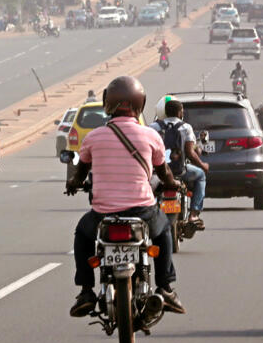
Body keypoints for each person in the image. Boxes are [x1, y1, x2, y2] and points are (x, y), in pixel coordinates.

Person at [66, 76, 185, 316]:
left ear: (107, 103)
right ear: (139, 104)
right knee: (163, 233)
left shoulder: (93, 137)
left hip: (103, 214)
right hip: (142, 211)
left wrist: (73, 184)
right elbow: (165, 173)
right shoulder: (151, 137)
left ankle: (86, 290)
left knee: (82, 234)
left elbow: (80, 174)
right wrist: (174, 184)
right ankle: (165, 287)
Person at [153, 98, 208, 225]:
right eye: (182, 111)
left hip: (158, 172)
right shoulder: (186, 127)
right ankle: (194, 214)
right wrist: (203, 165)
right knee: (200, 175)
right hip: (180, 171)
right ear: (179, 112)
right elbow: (190, 153)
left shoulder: (153, 127)